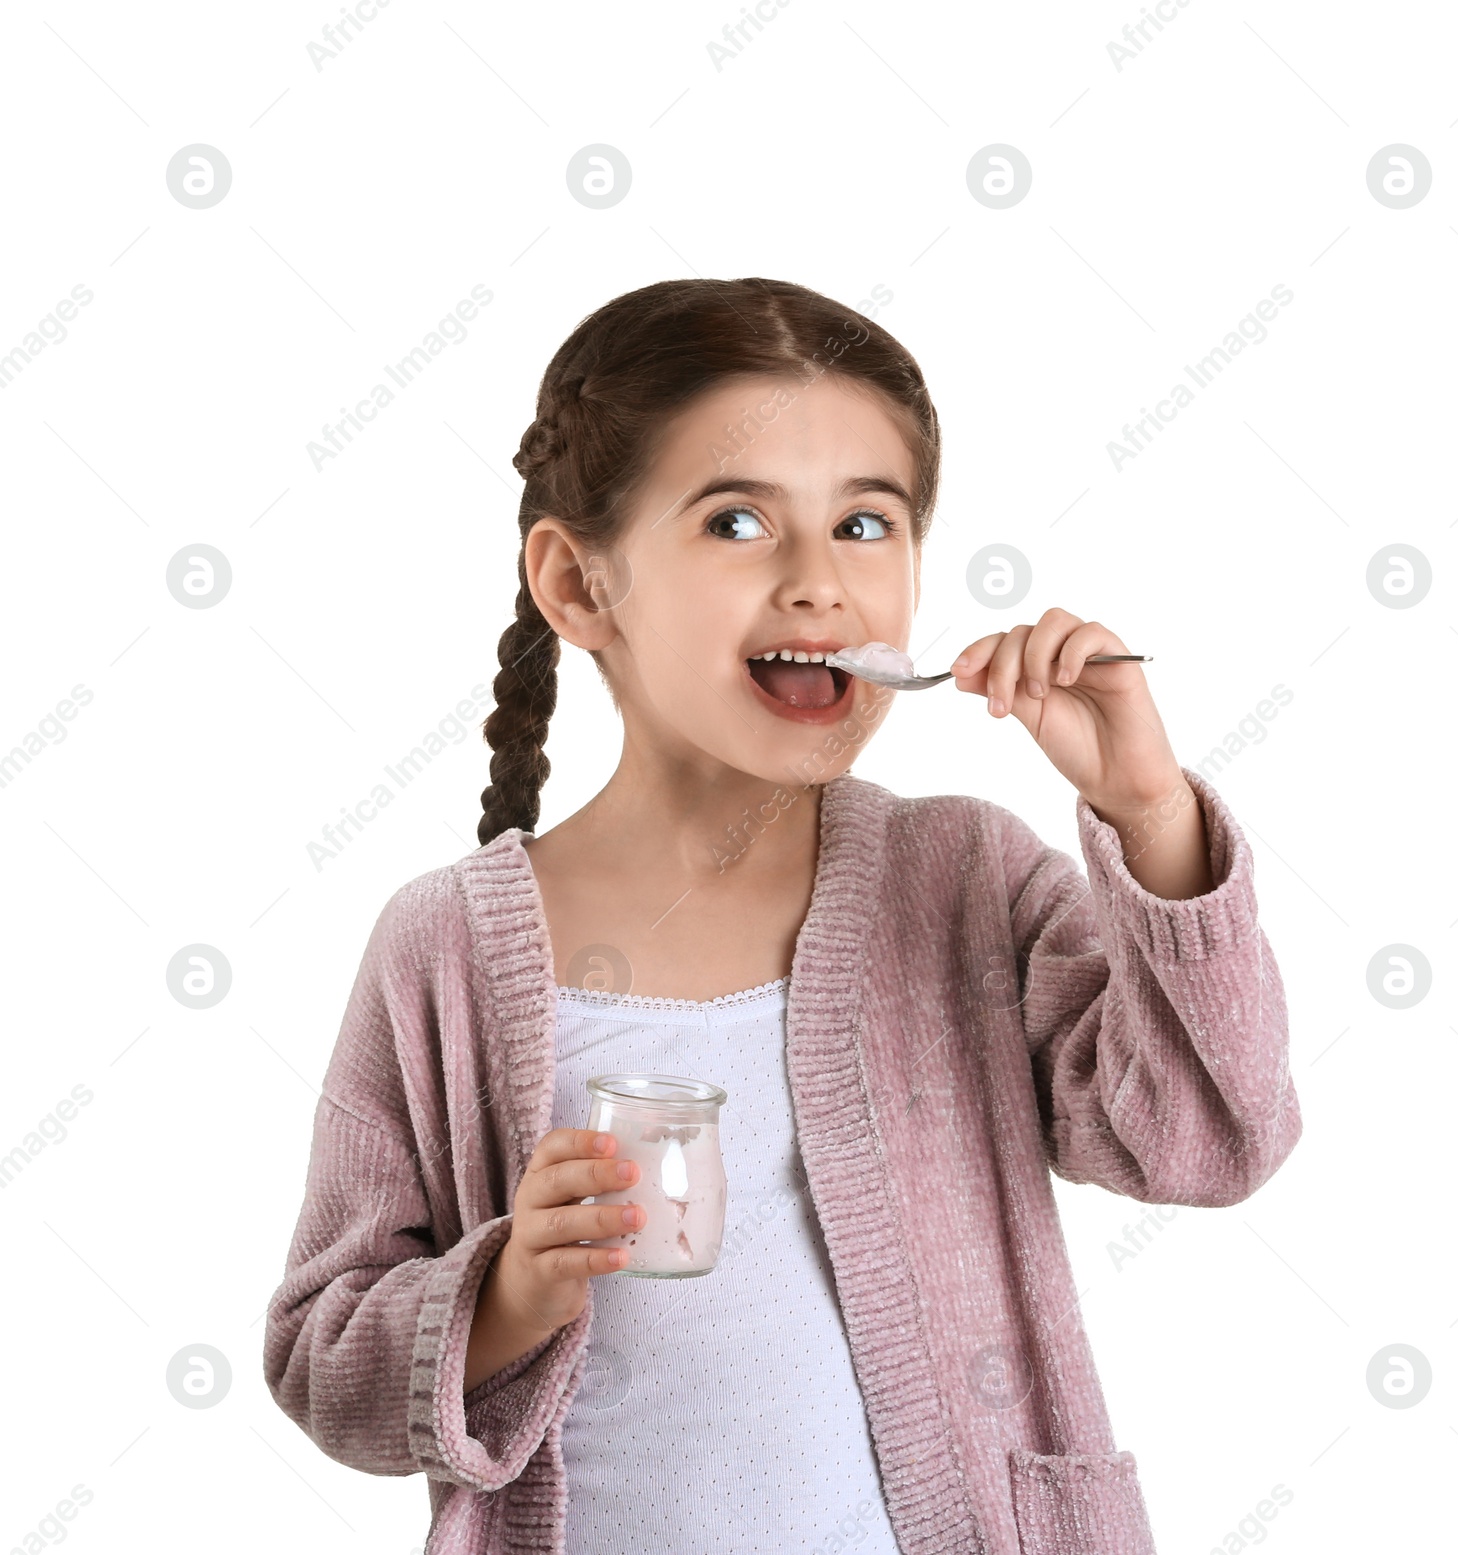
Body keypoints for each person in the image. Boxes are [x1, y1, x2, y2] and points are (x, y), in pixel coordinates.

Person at [263, 277, 1302, 1555]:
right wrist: (505, 1294)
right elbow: (322, 1354)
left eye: (866, 523)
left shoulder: (966, 882)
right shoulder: (445, 951)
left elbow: (1209, 1138)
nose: (819, 583)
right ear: (579, 584)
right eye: (740, 520)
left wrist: (1149, 815)